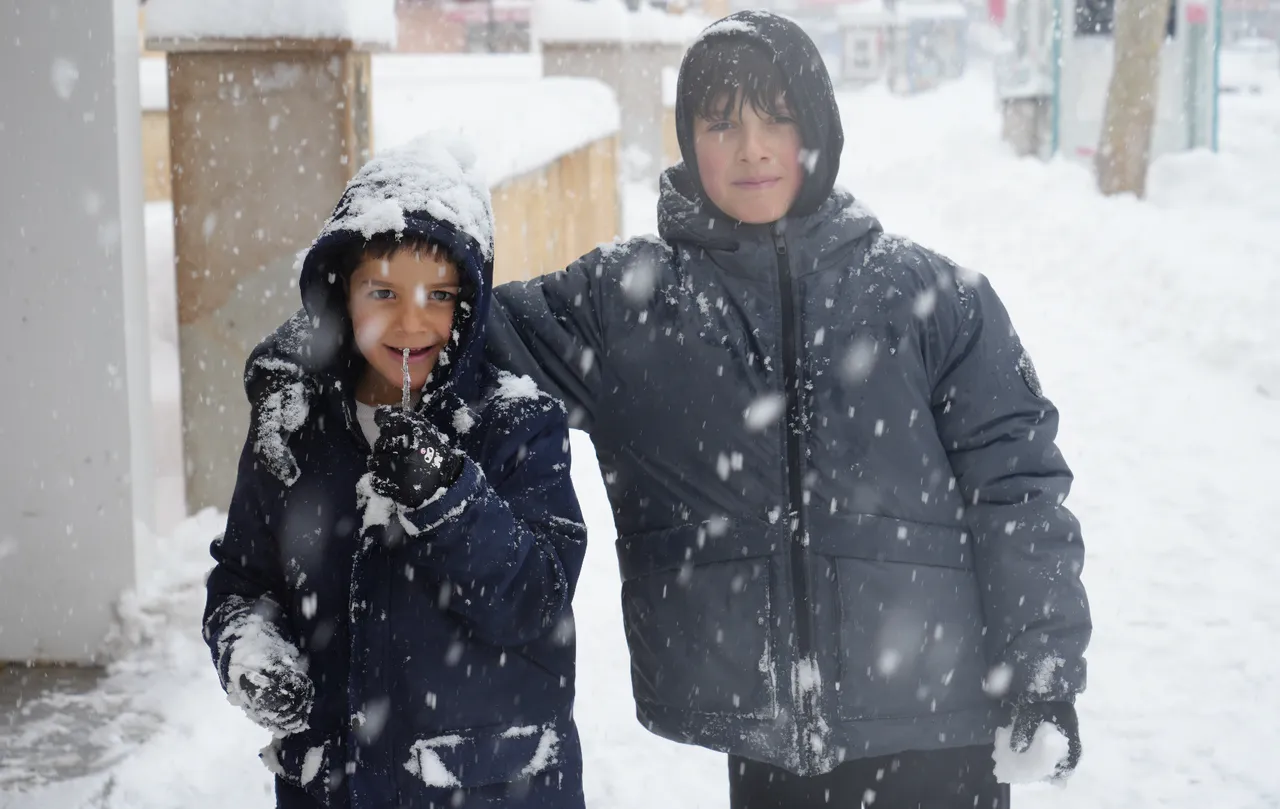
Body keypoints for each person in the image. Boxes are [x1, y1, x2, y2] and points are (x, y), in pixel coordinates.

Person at [244, 11, 1091, 808]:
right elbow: (448, 327)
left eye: (777, 119)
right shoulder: (627, 302)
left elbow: (1018, 487)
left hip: (938, 720)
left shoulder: (934, 298)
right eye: (722, 123)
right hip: (769, 741)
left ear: (819, 133)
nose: (752, 148)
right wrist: (305, 355)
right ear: (689, 139)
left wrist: (1042, 665)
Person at [203, 135, 588, 809]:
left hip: (488, 790)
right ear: (341, 293)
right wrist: (249, 647)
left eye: (438, 295)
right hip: (334, 787)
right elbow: (243, 580)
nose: (412, 322)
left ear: (468, 305)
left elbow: (538, 597)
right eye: (383, 291)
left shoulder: (516, 425)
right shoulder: (294, 427)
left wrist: (450, 497)